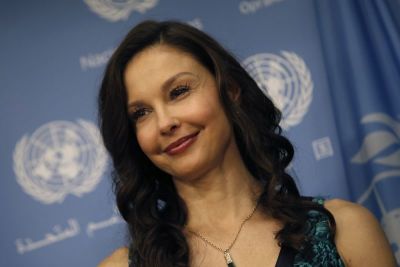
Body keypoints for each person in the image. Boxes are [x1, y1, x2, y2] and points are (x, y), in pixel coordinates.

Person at [97, 20, 396, 267]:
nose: (165, 122)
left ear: (230, 90)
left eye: (179, 91)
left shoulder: (345, 230)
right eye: (141, 113)